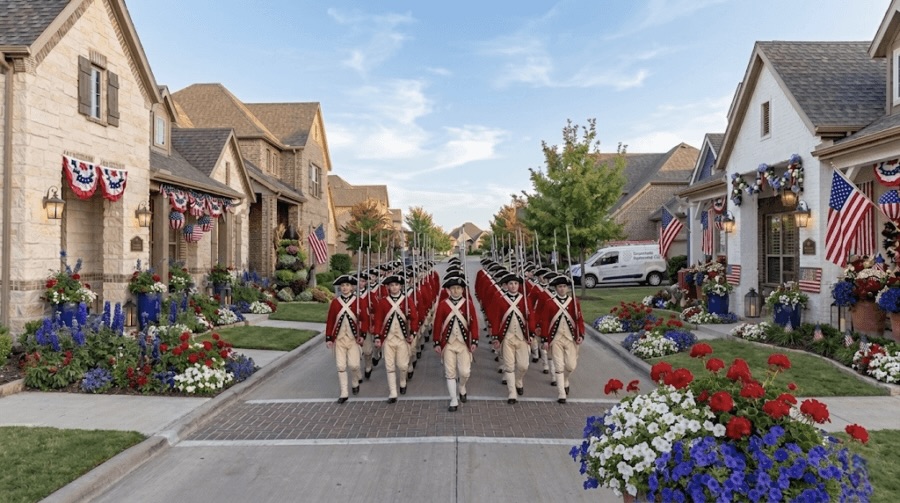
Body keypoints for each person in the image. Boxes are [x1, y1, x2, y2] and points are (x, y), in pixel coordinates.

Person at [432, 276, 478, 412]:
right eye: (453, 288)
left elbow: (474, 324)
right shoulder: (443, 305)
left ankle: (462, 386)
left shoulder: (468, 304)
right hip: (448, 344)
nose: (456, 291)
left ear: (463, 290)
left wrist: (474, 339)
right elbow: (437, 324)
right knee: (450, 372)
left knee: (465, 372)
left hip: (463, 344)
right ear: (448, 290)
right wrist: (436, 342)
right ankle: (453, 399)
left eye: (458, 288)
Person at [374, 274, 419, 403]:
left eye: (396, 285)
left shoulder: (407, 300)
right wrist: (377, 336)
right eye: (392, 285)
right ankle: (393, 392)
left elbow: (415, 318)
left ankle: (403, 381)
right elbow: (378, 320)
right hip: (388, 339)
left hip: (402, 338)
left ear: (400, 286)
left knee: (403, 365)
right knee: (390, 366)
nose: (394, 288)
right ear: (388, 287)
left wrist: (413, 333)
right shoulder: (383, 302)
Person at [540, 275, 585, 404]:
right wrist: (545, 339)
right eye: (560, 287)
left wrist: (581, 334)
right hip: (556, 339)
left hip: (570, 338)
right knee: (559, 366)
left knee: (570, 366)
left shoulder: (574, 302)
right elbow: (545, 322)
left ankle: (565, 380)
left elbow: (580, 320)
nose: (562, 289)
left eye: (564, 286)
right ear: (556, 288)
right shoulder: (550, 303)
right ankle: (561, 393)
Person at [489, 272, 531, 404]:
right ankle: (512, 393)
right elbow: (496, 319)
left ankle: (519, 380)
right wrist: (495, 337)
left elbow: (531, 318)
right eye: (511, 284)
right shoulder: (501, 299)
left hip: (521, 337)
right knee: (509, 366)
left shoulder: (525, 299)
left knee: (523, 366)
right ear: (506, 285)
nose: (513, 286)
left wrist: (532, 332)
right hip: (507, 337)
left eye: (516, 283)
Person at [324, 275, 366, 404]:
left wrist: (362, 335)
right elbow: (330, 321)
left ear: (352, 287)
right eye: (342, 286)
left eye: (347, 285)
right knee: (341, 366)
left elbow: (365, 320)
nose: (345, 288)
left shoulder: (359, 301)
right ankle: (344, 393)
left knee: (354, 365)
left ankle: (354, 382)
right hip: (340, 339)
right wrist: (329, 338)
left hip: (353, 339)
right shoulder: (336, 303)